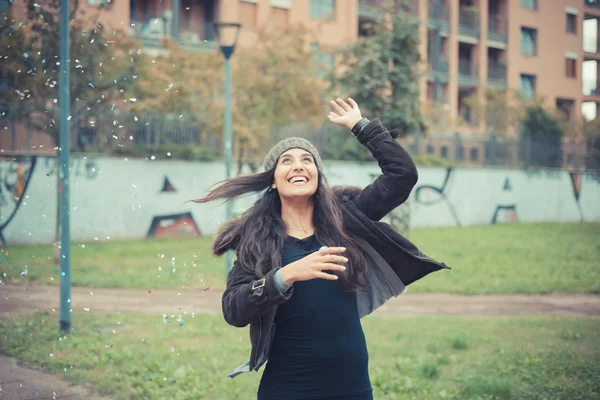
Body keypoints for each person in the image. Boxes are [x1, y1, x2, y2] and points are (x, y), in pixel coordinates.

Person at [192, 98, 450, 399]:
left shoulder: (347, 219)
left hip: (351, 385)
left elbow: (402, 175)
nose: (298, 165)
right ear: (273, 181)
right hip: (288, 386)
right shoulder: (257, 240)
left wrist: (361, 126)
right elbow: (233, 309)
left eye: (307, 159)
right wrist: (285, 276)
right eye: (286, 161)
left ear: (317, 175)